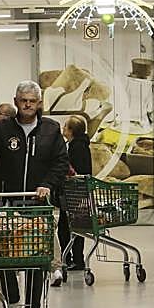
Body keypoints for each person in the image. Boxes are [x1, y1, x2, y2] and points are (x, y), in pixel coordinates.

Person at [0, 80, 69, 308]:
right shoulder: (2, 129)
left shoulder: (51, 130)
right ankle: (12, 304)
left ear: (39, 103)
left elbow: (61, 162)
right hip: (7, 204)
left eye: (32, 101)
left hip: (37, 206)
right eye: (23, 100)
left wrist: (47, 184)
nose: (27, 105)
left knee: (36, 260)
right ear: (16, 102)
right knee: (5, 258)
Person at [58, 115, 92, 274]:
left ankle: (72, 259)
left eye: (65, 126)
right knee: (73, 226)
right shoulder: (78, 144)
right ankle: (74, 258)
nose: (63, 128)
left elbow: (76, 170)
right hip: (76, 193)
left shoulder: (77, 147)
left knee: (67, 227)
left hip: (74, 193)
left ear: (71, 131)